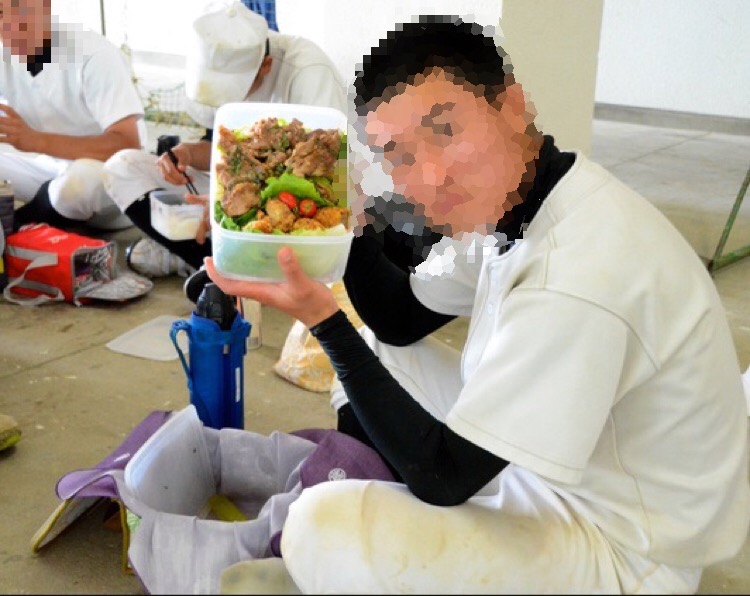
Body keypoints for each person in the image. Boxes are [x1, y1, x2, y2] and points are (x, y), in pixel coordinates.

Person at [204, 14, 750, 595]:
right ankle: (391, 531)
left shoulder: (577, 271)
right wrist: (350, 222)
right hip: (570, 469)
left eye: (444, 129)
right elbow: (399, 318)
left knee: (319, 528)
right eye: (398, 154)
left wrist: (323, 321)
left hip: (627, 548)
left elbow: (445, 475)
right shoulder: (520, 202)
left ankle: (382, 547)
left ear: (512, 106)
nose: (429, 176)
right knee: (381, 353)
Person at [103, 0, 346, 278]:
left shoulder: (308, 72)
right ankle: (208, 264)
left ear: (266, 66)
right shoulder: (215, 56)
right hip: (239, 191)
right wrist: (188, 154)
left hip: (301, 201)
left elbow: (329, 177)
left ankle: (238, 270)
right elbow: (225, 151)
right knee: (122, 167)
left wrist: (228, 202)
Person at [0, 0, 146, 231]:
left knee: (76, 184)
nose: (9, 24)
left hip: (111, 183)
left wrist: (36, 140)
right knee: (63, 185)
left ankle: (16, 229)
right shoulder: (4, 56)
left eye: (20, 9)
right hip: (52, 171)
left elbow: (127, 143)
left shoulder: (94, 54)